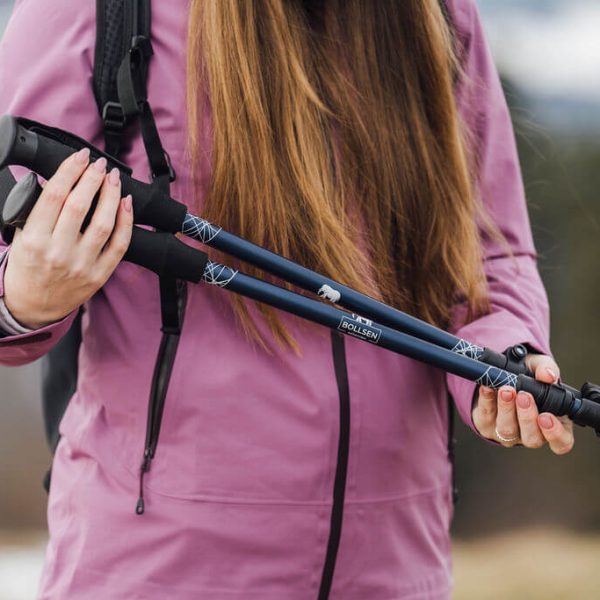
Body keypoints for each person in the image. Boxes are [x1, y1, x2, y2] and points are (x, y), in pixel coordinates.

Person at [0, 0, 575, 598]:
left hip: (399, 567)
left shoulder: (440, 15)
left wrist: (501, 359)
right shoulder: (95, 10)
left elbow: (489, 254)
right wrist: (28, 297)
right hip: (155, 569)